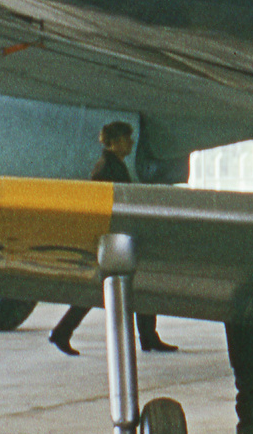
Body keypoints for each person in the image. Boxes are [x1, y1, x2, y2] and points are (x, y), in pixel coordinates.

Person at [49, 121, 177, 357]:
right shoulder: (107, 169)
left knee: (125, 287)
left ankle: (147, 336)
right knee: (107, 289)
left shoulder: (112, 166)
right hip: (113, 239)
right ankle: (63, 331)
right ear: (115, 141)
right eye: (127, 138)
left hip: (116, 238)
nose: (131, 142)